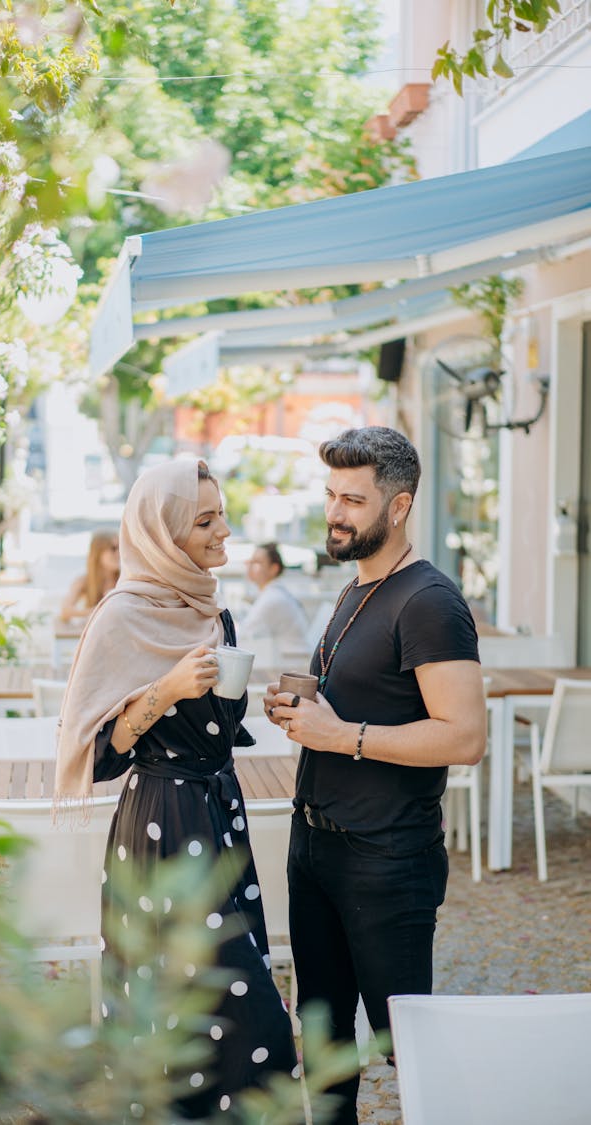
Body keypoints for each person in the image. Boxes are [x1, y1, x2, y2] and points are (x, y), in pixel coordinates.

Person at [55, 459, 296, 1117]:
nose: (225, 532)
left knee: (222, 1004)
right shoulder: (121, 617)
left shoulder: (214, 613)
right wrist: (164, 691)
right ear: (163, 532)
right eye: (206, 519)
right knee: (219, 1012)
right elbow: (97, 756)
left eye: (222, 515)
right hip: (161, 823)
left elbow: (219, 731)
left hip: (219, 816)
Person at [265, 426, 487, 1125]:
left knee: (405, 1047)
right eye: (331, 494)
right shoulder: (354, 589)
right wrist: (303, 713)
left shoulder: (429, 600)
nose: (335, 511)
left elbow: (467, 735)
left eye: (353, 499)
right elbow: (352, 705)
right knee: (326, 1046)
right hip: (317, 850)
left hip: (388, 858)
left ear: (398, 506)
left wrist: (342, 735)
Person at [238, 542, 310, 657]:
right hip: (287, 658)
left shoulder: (273, 598)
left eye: (257, 562)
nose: (250, 566)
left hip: (291, 662)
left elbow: (244, 635)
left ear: (274, 569)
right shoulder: (274, 593)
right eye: (250, 562)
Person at [58, 529, 120, 622]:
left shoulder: (126, 579)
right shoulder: (84, 581)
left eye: (121, 547)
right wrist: (98, 610)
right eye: (113, 548)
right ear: (98, 552)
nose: (119, 553)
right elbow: (65, 612)